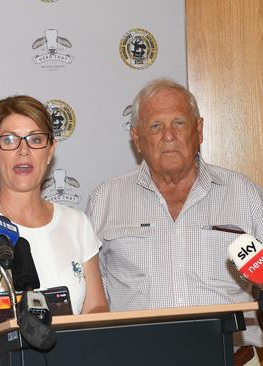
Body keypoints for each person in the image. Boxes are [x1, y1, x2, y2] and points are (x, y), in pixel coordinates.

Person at [85, 79, 263, 365]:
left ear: (199, 130)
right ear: (136, 137)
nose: (168, 135)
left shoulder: (245, 194)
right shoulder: (105, 200)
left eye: (179, 123)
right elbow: (91, 298)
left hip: (234, 359)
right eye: (155, 126)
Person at [0, 95, 108, 343]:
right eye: (10, 140)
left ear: (50, 150)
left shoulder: (77, 224)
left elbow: (97, 310)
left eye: (35, 140)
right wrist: (19, 334)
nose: (23, 151)